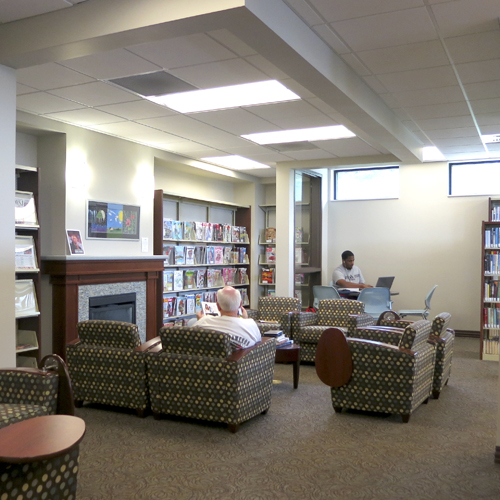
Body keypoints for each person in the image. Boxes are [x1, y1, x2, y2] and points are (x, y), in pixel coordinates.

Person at [191, 286, 261, 349]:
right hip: (240, 361)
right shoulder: (250, 324)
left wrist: (201, 320)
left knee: (191, 321)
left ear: (218, 306)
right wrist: (245, 319)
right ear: (240, 304)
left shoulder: (204, 321)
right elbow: (258, 342)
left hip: (208, 361)